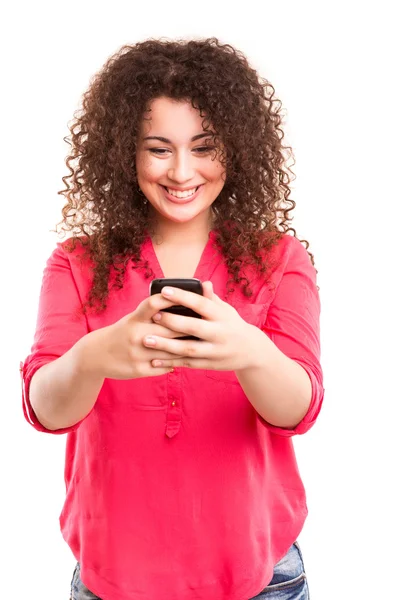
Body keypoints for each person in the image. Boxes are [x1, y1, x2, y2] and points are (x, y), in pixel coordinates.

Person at [20, 37, 324, 600]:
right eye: (158, 149)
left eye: (204, 147)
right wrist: (91, 358)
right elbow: (45, 409)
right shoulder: (76, 263)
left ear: (237, 149)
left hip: (261, 579)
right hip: (114, 580)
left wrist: (251, 351)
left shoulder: (280, 258)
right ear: (124, 153)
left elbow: (299, 411)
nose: (182, 170)